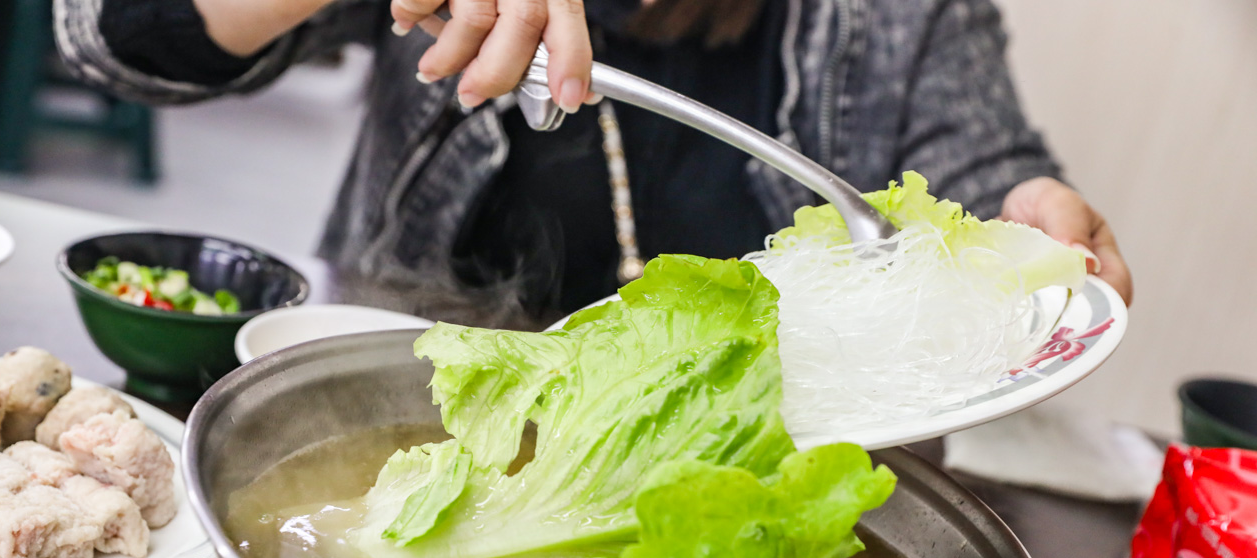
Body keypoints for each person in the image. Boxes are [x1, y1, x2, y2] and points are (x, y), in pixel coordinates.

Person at [55, 0, 1132, 329]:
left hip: (752, 474)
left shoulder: (898, 16)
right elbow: (106, 38)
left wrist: (1035, 235)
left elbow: (987, 183)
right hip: (399, 411)